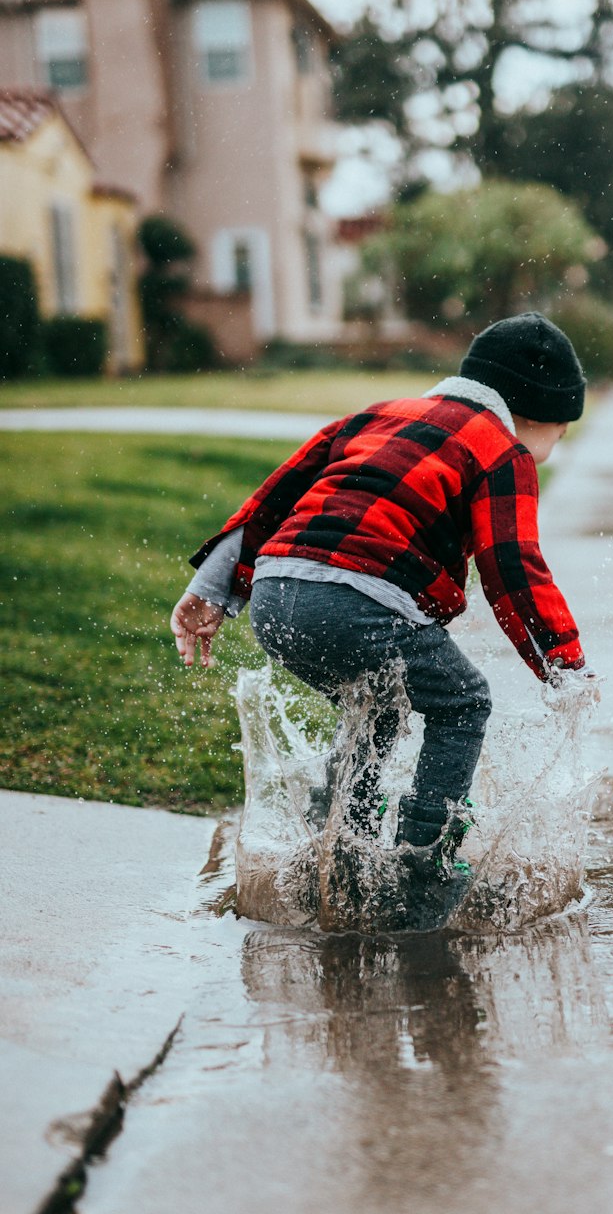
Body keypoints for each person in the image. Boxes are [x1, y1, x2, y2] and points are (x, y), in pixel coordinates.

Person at [170, 312, 591, 928]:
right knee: (464, 701)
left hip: (275, 596)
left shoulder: (374, 414)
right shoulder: (502, 451)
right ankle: (425, 862)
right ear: (537, 413)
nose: (556, 447)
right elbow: (513, 567)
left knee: (380, 706)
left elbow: (274, 498)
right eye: (562, 430)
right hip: (353, 602)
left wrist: (210, 589)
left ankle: (339, 849)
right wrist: (564, 664)